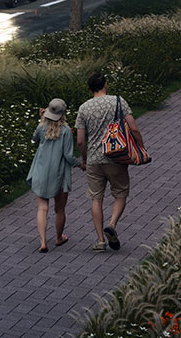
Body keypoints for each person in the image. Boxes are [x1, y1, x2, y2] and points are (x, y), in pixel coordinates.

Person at [75, 69, 143, 251]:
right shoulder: (118, 102)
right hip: (116, 156)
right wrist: (141, 148)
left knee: (96, 198)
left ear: (90, 89)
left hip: (94, 160)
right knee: (120, 193)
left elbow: (80, 140)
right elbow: (134, 128)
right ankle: (111, 225)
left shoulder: (84, 108)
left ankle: (100, 241)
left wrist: (85, 159)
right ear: (105, 85)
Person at [29, 98, 80, 252]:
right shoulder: (66, 131)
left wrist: (42, 119)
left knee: (42, 208)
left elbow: (34, 139)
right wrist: (80, 165)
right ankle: (58, 238)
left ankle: (43, 242)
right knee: (59, 209)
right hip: (60, 174)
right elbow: (68, 156)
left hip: (41, 172)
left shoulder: (41, 127)